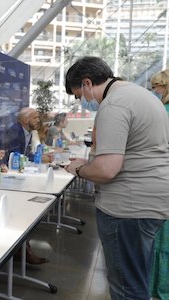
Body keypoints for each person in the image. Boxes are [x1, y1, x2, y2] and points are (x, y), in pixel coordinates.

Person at [64, 56, 169, 300]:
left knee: (126, 286)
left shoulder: (114, 104)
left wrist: (79, 169)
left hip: (128, 207)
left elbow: (107, 169)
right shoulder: (141, 95)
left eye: (78, 95)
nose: (81, 102)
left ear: (87, 83)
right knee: (137, 279)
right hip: (151, 201)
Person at [149, 69, 169, 300]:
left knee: (160, 236)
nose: (155, 90)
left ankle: (159, 288)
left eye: (158, 86)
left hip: (161, 178)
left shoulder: (162, 113)